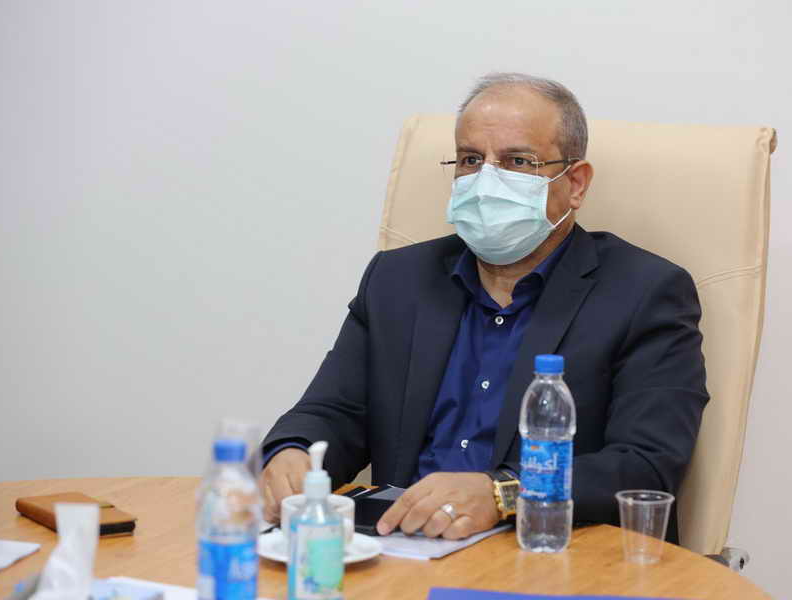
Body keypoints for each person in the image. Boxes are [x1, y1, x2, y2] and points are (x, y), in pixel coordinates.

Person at [261, 72, 708, 543]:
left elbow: (645, 466)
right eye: (471, 160)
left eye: (517, 161)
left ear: (576, 183)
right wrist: (293, 452)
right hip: (400, 546)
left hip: (551, 554)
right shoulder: (397, 279)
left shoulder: (645, 293)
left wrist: (502, 494)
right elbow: (334, 410)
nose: (487, 180)